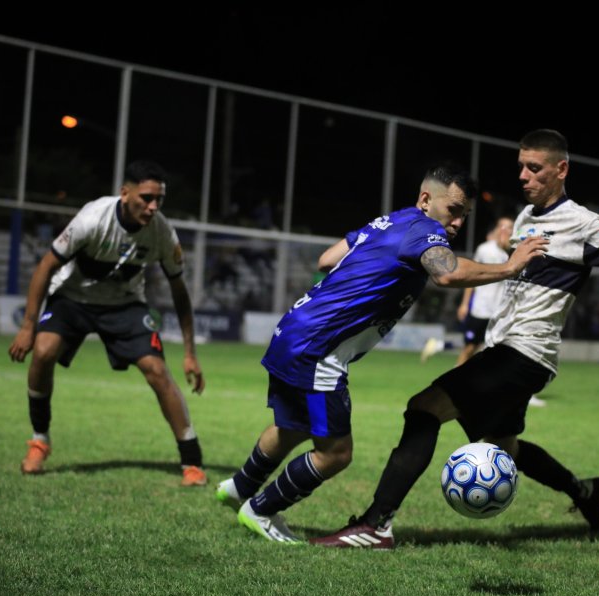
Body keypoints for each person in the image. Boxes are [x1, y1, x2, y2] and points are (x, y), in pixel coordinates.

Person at [310, 129, 599, 549]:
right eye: (521, 167)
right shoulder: (526, 217)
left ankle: (375, 525)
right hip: (503, 347)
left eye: (534, 168)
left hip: (525, 353)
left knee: (423, 408)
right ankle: (584, 491)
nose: (523, 176)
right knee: (504, 446)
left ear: (561, 170)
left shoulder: (583, 224)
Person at [214, 163, 547, 543]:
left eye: (465, 215)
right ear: (426, 199)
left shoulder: (391, 221)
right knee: (336, 454)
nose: (457, 222)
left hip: (292, 332)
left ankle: (239, 487)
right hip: (318, 352)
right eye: (453, 210)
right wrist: (510, 266)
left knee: (293, 426)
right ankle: (260, 509)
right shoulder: (424, 230)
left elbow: (327, 259)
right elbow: (447, 273)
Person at [8, 160, 208, 486]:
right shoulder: (92, 219)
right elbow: (46, 266)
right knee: (43, 352)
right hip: (72, 298)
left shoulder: (162, 232)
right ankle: (39, 441)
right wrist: (28, 326)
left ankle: (192, 463)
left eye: (159, 200)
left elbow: (179, 291)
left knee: (157, 370)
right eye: (146, 198)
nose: (153, 206)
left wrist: (190, 353)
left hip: (125, 304)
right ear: (125, 193)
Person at [454, 216, 514, 366]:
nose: (505, 230)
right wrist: (464, 304)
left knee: (492, 351)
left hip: (500, 312)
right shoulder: (484, 249)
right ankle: (455, 374)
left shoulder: (515, 253)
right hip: (480, 309)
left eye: (509, 227)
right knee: (469, 347)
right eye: (502, 226)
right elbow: (472, 278)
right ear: (496, 229)